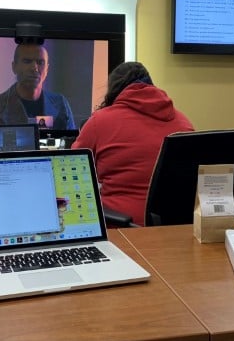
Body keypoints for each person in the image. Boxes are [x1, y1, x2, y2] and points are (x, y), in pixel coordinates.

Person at [72, 61, 194, 226]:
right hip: (174, 230)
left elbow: (72, 170)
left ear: (114, 90)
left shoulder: (99, 121)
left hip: (120, 228)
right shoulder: (183, 122)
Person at [0, 43, 75, 131]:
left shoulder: (61, 104)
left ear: (47, 69)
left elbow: (72, 147)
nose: (34, 68)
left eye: (40, 62)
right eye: (27, 61)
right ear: (14, 67)